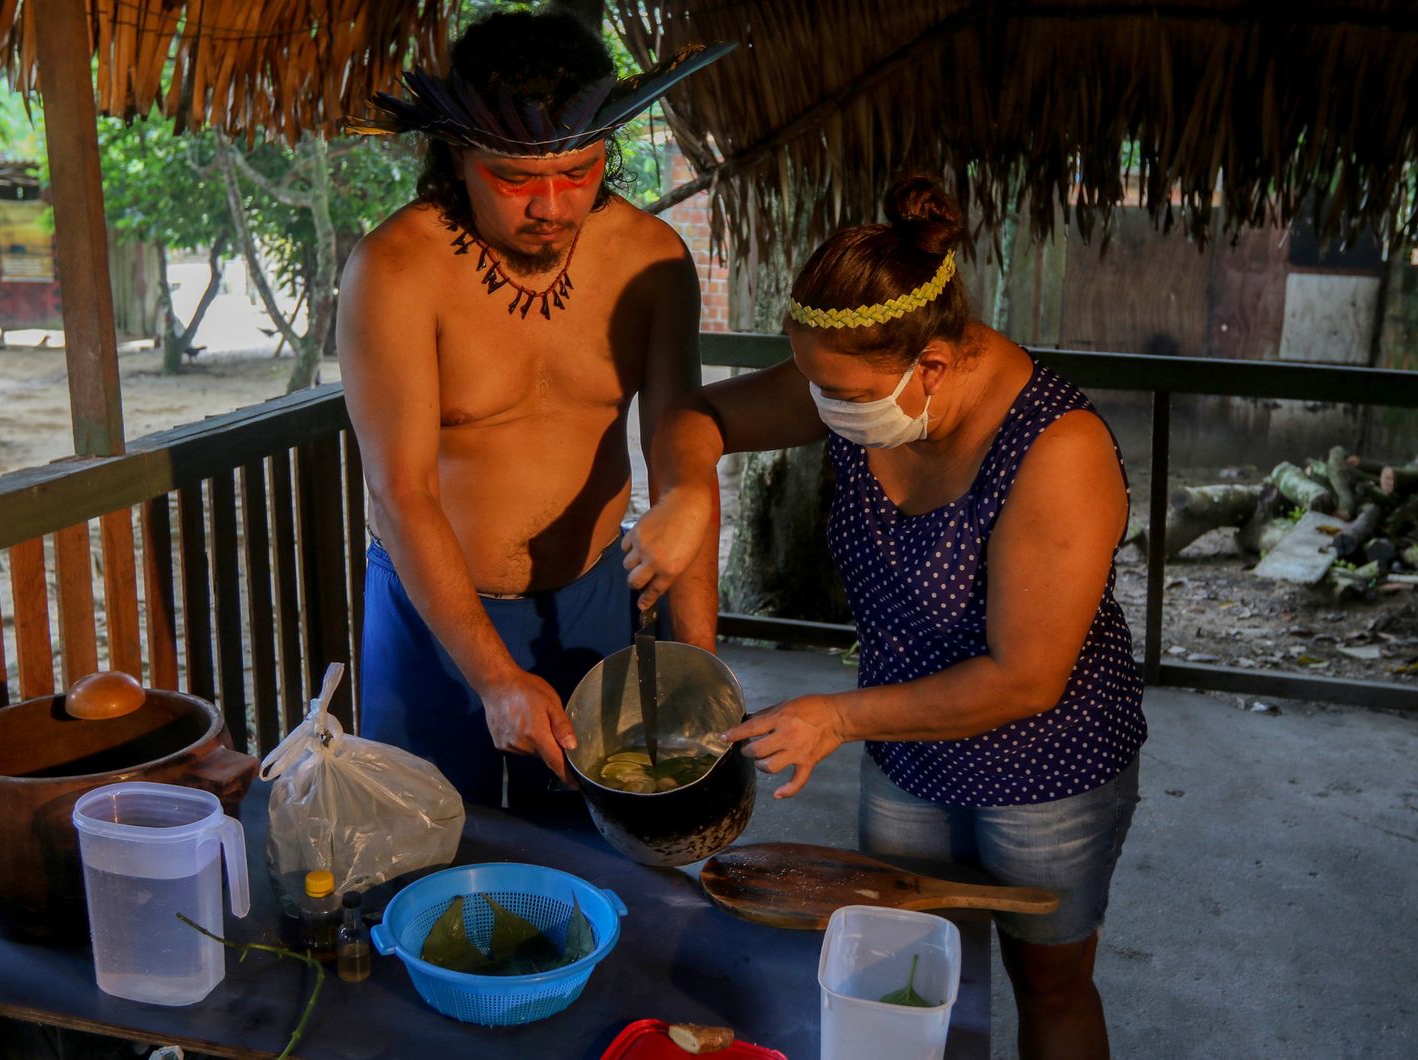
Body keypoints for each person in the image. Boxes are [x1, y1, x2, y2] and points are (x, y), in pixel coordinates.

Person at [622, 177, 1147, 1059]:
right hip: (903, 748)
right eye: (810, 383)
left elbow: (1027, 677)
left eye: (835, 391)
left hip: (1047, 764)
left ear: (931, 366)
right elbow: (696, 418)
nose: (819, 406)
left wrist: (834, 717)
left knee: (1048, 984)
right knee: (897, 971)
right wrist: (681, 495)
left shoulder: (1059, 451)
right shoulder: (857, 379)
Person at [337, 10, 730, 808]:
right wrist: (496, 676)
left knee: (599, 864)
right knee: (429, 857)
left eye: (579, 173)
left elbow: (681, 454)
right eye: (515, 181)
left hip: (592, 602)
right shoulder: (396, 270)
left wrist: (701, 668)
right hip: (430, 614)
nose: (551, 206)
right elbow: (400, 491)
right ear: (456, 155)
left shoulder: (653, 261)